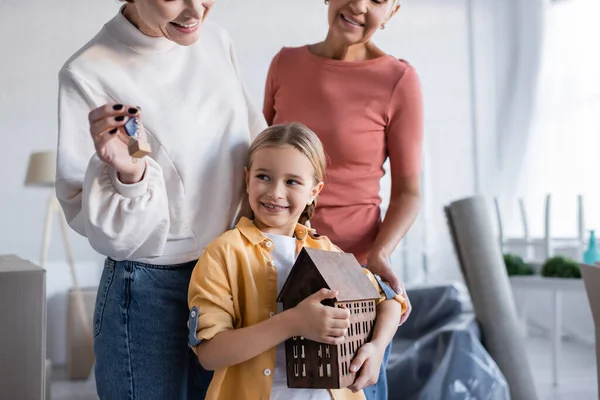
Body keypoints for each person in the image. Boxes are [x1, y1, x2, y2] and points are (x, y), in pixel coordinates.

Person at [56, 1, 265, 398]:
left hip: (229, 273)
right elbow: (87, 211)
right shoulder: (88, 72)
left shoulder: (216, 40)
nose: (194, 10)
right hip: (150, 289)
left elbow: (253, 142)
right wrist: (130, 173)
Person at [263, 1, 423, 398]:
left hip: (353, 275)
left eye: (378, 0)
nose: (358, 5)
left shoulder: (397, 79)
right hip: (276, 264)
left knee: (353, 388)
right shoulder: (285, 64)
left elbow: (409, 190)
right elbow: (261, 164)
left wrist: (381, 255)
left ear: (393, 11)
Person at [187, 123, 408, 400]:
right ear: (247, 179)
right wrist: (292, 322)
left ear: (314, 191)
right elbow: (210, 353)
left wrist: (376, 348)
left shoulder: (326, 250)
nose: (275, 192)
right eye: (264, 177)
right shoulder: (223, 253)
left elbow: (388, 300)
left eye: (292, 181)